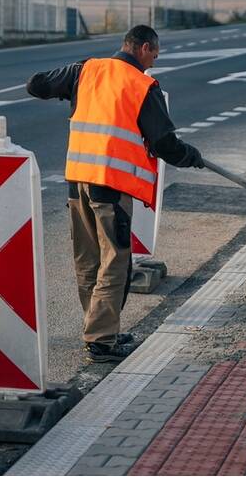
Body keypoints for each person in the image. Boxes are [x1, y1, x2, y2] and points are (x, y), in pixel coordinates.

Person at [27, 25, 205, 363]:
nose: (156, 58)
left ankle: (98, 327)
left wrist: (75, 87)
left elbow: (36, 84)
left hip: (77, 180)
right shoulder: (141, 85)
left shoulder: (86, 69)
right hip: (109, 186)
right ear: (141, 48)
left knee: (88, 259)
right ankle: (102, 340)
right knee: (115, 260)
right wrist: (190, 156)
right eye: (155, 51)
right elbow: (165, 143)